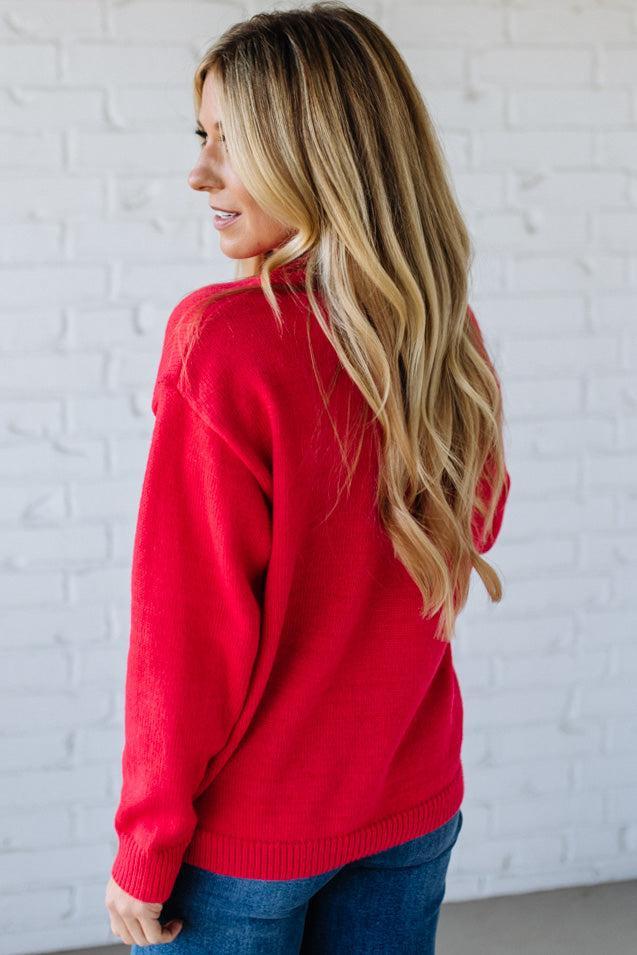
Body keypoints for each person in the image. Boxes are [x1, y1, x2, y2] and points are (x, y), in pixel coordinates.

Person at [104, 3, 511, 952]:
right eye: (200, 138)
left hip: (250, 846)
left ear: (318, 153)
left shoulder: (225, 342)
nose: (198, 173)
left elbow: (186, 628)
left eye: (230, 144)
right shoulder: (439, 333)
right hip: (410, 803)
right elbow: (473, 527)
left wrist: (144, 844)